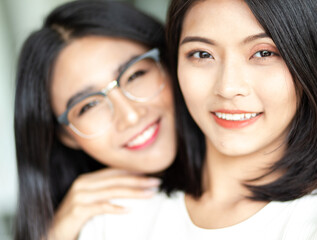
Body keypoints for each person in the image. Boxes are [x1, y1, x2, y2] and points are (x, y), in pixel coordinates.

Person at [79, 0, 317, 239]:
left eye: (264, 53)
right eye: (202, 54)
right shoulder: (115, 218)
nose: (227, 87)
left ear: (312, 62)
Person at [13, 1, 189, 240]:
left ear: (169, 62)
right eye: (89, 105)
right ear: (64, 135)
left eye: (135, 74)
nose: (130, 115)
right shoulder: (99, 226)